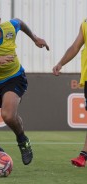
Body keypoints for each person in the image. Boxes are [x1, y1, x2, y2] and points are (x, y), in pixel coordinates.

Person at [0, 3, 49, 165]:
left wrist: (35, 38)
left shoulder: (10, 28)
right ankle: (0, 155)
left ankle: (22, 140)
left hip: (13, 78)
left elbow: (20, 22)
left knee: (8, 115)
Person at [53, 18, 87, 167]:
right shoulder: (85, 24)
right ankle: (83, 156)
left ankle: (83, 155)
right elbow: (75, 47)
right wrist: (61, 62)